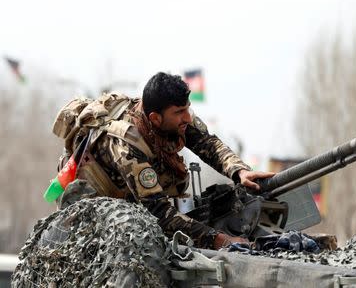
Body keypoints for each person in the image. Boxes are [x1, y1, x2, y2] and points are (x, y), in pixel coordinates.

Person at [55, 72, 274, 250]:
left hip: (135, 197)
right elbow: (158, 213)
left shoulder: (176, 118)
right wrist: (220, 240)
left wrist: (239, 171)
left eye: (187, 108)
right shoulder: (128, 146)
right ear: (155, 118)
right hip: (98, 204)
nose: (187, 118)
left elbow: (208, 144)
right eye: (180, 112)